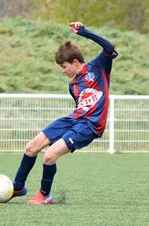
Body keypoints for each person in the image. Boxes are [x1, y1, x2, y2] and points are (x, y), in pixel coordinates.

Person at [10, 22, 118, 204]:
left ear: (76, 62)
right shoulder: (73, 85)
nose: (63, 70)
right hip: (74, 119)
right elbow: (80, 106)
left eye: (64, 66)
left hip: (90, 125)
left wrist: (85, 32)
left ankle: (45, 195)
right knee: (31, 147)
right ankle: (18, 187)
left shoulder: (98, 67)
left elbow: (109, 47)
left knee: (49, 155)